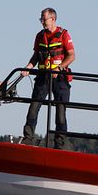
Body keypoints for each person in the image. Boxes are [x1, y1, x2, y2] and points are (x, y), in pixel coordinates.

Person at [21, 8, 76, 149]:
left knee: (60, 110)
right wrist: (28, 67)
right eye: (41, 19)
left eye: (44, 19)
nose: (42, 22)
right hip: (43, 77)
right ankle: (28, 138)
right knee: (34, 107)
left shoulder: (64, 34)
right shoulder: (39, 36)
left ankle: (59, 144)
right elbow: (35, 56)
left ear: (53, 19)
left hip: (60, 78)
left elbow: (72, 55)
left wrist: (60, 68)